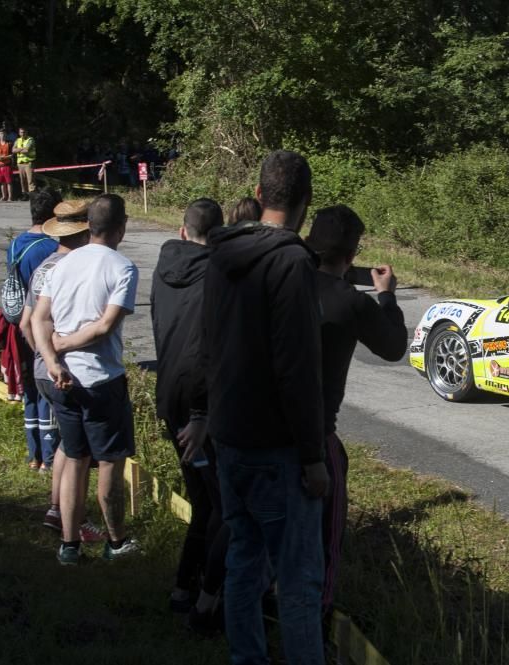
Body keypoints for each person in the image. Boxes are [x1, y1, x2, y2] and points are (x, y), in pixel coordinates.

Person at [202, 150, 328, 664]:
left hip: (230, 434)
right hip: (277, 446)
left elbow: (209, 343)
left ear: (258, 196)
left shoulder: (220, 253)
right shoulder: (292, 263)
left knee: (243, 560)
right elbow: (297, 367)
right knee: (297, 580)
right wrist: (313, 454)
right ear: (306, 203)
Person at [305, 205, 409, 613]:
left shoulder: (285, 283)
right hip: (316, 430)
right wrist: (386, 296)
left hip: (264, 421)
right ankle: (319, 611)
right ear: (352, 254)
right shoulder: (352, 303)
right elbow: (394, 346)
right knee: (328, 531)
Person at [32, 193, 140, 566]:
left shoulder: (61, 263)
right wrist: (64, 344)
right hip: (99, 379)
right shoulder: (123, 267)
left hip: (58, 378)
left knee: (74, 458)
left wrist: (53, 358)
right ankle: (116, 540)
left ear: (87, 226)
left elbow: (38, 319)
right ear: (121, 229)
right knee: (110, 461)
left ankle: (69, 545)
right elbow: (105, 325)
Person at [151, 198, 228, 632]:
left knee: (203, 500)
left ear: (182, 231)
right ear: (216, 237)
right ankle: (205, 598)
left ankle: (186, 587)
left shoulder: (164, 269)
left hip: (169, 399)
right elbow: (206, 349)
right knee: (221, 505)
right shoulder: (216, 278)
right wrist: (204, 410)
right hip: (199, 407)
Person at [19, 200, 105, 544]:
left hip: (43, 368)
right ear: (84, 230)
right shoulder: (74, 267)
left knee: (67, 445)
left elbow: (27, 322)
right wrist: (58, 356)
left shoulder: (44, 266)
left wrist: (42, 354)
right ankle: (76, 520)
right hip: (69, 368)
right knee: (80, 451)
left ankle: (56, 510)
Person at [8, 190, 61, 469]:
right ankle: (49, 457)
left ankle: (33, 453)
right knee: (45, 390)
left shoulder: (16, 243)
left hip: (17, 324)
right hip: (41, 325)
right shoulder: (49, 248)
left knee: (29, 388)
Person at [13, 127, 36, 197]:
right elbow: (13, 150)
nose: (22, 134)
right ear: (19, 133)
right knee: (22, 180)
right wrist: (22, 149)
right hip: (20, 163)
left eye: (24, 132)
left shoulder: (30, 139)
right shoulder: (17, 140)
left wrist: (18, 149)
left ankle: (32, 195)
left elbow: (27, 150)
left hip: (28, 163)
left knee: (30, 180)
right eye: (21, 132)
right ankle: (25, 195)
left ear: (26, 132)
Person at [0, 130, 14, 202]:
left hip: (7, 165)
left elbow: (12, 154)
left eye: (4, 134)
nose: (2, 135)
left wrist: (5, 157)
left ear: (6, 135)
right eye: (1, 134)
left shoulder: (9, 144)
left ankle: (10, 197)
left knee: (9, 182)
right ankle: (4, 196)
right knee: (2, 182)